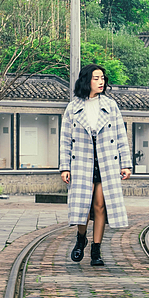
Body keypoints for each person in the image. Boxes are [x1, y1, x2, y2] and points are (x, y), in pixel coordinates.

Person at [59, 64, 132, 266]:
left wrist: (125, 164)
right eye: (96, 78)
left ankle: (96, 250)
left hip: (106, 161)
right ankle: (81, 238)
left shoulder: (110, 106)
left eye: (102, 78)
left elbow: (120, 137)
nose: (101, 82)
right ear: (86, 80)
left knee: (100, 206)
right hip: (82, 162)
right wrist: (65, 167)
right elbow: (65, 140)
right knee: (83, 206)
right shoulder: (73, 107)